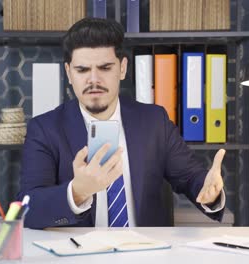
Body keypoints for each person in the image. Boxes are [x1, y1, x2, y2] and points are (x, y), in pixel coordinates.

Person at [18, 17, 226, 229]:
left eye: (105, 68)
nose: (94, 80)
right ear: (69, 73)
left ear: (123, 68)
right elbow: (28, 209)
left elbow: (190, 177)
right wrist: (77, 192)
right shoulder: (44, 129)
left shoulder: (154, 121)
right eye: (82, 70)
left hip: (145, 251)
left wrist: (210, 192)